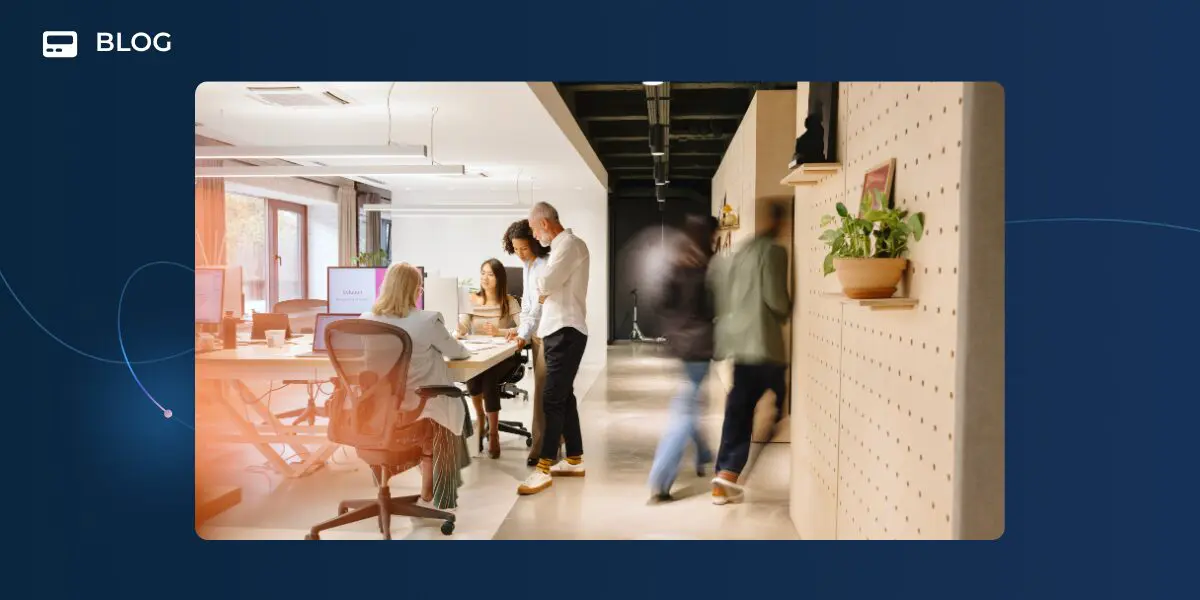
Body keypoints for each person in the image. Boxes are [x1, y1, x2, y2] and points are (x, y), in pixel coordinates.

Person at [360, 262, 474, 511]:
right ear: (415, 289)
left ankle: (392, 478)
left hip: (381, 411)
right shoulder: (428, 320)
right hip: (419, 406)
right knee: (452, 403)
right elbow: (457, 353)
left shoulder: (365, 320)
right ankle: (432, 489)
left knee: (442, 408)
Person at [708, 201, 792, 505]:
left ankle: (725, 476)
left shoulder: (739, 252)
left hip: (740, 345)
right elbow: (775, 299)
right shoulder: (774, 252)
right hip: (765, 345)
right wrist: (787, 308)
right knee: (774, 408)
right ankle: (730, 476)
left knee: (738, 410)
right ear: (782, 222)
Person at [517, 201, 590, 495]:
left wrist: (544, 288)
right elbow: (545, 287)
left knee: (551, 399)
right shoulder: (562, 247)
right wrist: (544, 291)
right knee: (564, 396)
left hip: (565, 331)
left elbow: (545, 282)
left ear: (544, 224)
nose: (535, 238)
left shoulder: (569, 245)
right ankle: (574, 459)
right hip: (557, 331)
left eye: (534, 230)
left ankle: (544, 467)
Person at [647, 215, 719, 501]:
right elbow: (714, 308)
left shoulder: (677, 264)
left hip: (680, 346)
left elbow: (660, 302)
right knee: (685, 412)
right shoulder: (705, 269)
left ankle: (702, 452)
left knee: (690, 401)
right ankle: (660, 480)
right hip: (699, 349)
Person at [456, 258, 522, 459]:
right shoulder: (471, 300)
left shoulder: (509, 301)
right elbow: (464, 325)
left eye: (490, 274)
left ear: (499, 278)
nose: (485, 278)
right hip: (480, 354)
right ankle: (480, 418)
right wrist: (458, 329)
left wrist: (499, 332)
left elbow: (523, 328)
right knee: (474, 369)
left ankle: (493, 433)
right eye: (482, 273)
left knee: (489, 374)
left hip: (504, 359)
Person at [501, 219, 555, 467]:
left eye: (524, 248)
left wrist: (523, 331)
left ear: (535, 243)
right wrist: (521, 331)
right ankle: (555, 439)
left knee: (545, 391)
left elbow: (539, 310)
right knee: (547, 390)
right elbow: (528, 308)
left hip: (548, 332)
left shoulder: (545, 266)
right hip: (535, 333)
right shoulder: (528, 265)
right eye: (516, 249)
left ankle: (541, 446)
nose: (520, 254)